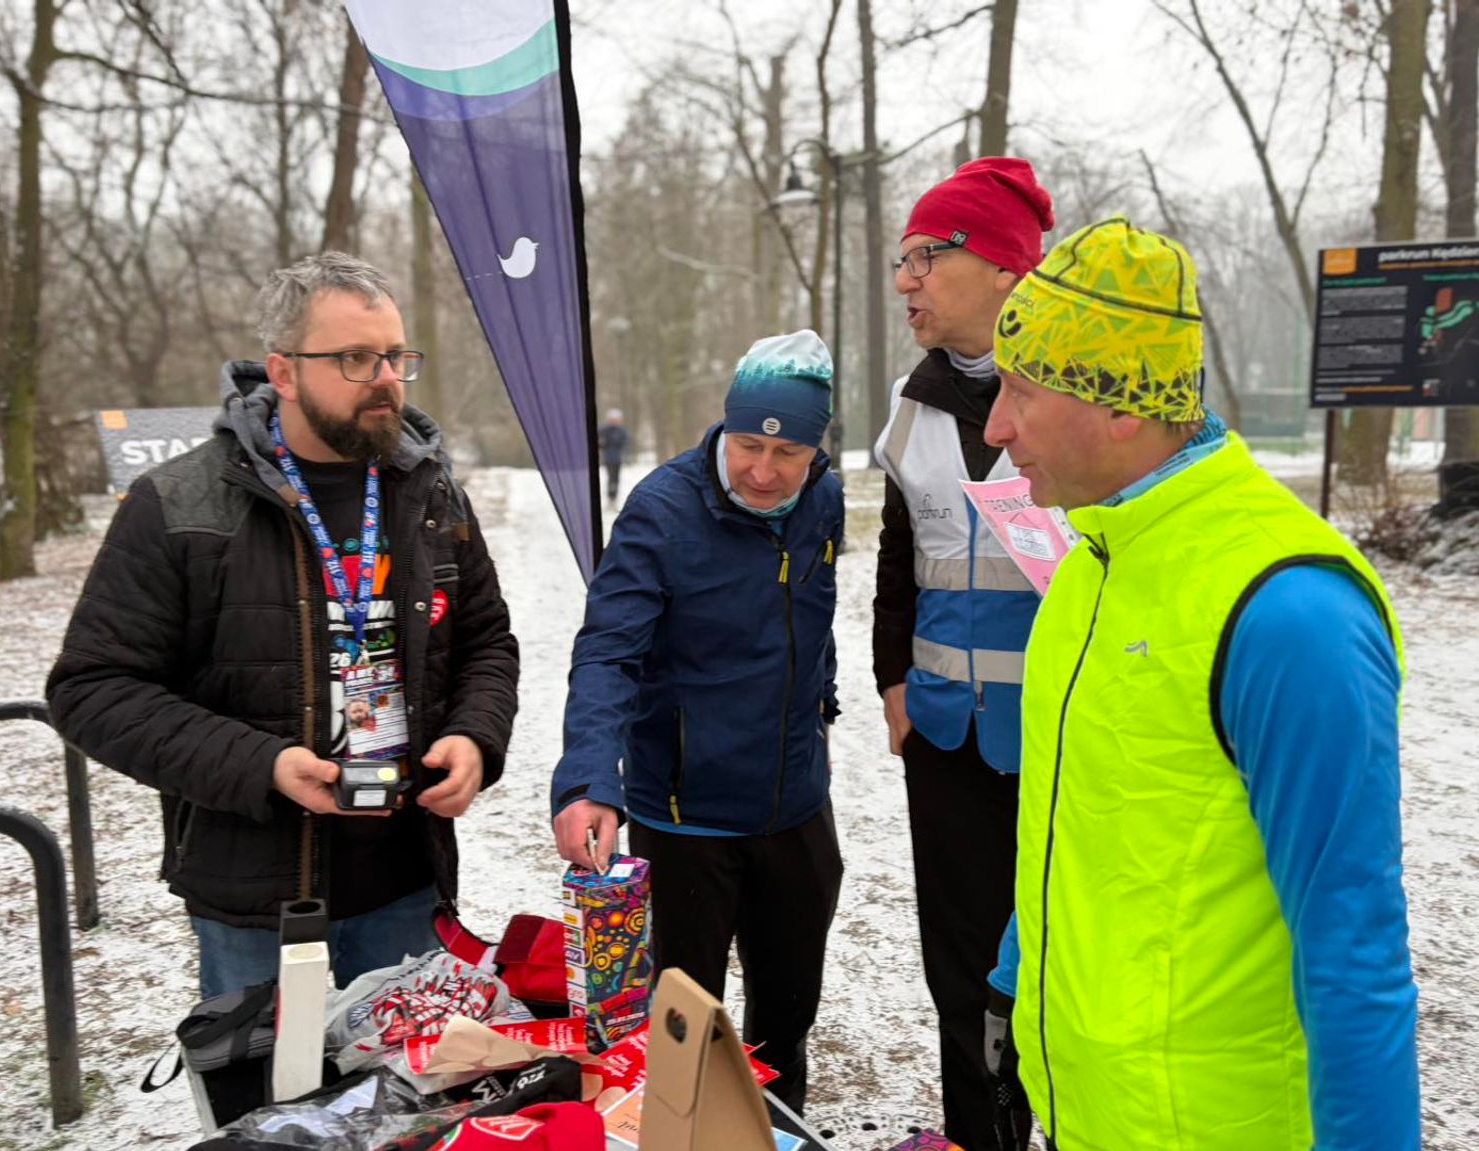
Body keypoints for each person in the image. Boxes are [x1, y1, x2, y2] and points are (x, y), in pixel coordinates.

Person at [984, 216, 1420, 1150]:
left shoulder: (1289, 610)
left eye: (1022, 389)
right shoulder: (1092, 562)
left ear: (1121, 407)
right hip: (1086, 1109)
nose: (997, 426)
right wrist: (1015, 983)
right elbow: (1080, 815)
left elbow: (1355, 952)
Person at [47, 251, 520, 998]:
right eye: (356, 358)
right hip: (255, 902)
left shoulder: (428, 492)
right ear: (285, 372)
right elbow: (91, 689)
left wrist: (475, 734)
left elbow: (487, 639)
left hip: (406, 881)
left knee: (409, 1106)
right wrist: (262, 766)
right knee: (270, 1108)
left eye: (397, 356)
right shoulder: (178, 504)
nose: (386, 378)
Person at [550, 331, 844, 1114]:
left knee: (785, 1020)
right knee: (683, 1027)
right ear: (727, 427)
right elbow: (608, 652)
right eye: (749, 444)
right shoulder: (663, 509)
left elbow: (810, 605)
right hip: (686, 814)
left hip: (794, 799)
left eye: (788, 454)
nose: (763, 470)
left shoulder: (825, 496)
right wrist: (589, 778)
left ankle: (777, 1127)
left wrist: (826, 693)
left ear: (817, 450)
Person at [871, 156, 1053, 1150]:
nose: (905, 279)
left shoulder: (1077, 394)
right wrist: (892, 683)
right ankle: (972, 1135)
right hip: (945, 735)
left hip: (1062, 747)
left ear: (995, 266)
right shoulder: (914, 402)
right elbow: (899, 558)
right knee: (957, 965)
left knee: (1055, 964)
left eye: (922, 258)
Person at [599, 408, 631, 506]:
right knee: (610, 479)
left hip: (618, 459)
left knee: (616, 479)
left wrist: (625, 455)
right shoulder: (604, 430)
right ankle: (610, 498)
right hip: (608, 459)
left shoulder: (622, 431)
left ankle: (614, 499)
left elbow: (626, 443)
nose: (615, 421)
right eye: (613, 419)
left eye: (616, 419)